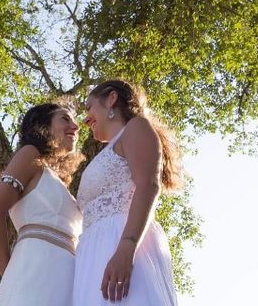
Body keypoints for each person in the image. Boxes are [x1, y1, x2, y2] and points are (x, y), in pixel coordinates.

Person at [73, 79, 181, 305]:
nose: (85, 119)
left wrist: (127, 247)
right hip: (92, 254)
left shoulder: (136, 127)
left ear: (111, 99)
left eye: (89, 107)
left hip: (121, 242)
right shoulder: (105, 152)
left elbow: (148, 185)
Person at [0, 103, 84, 306]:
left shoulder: (57, 180)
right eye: (65, 118)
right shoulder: (30, 154)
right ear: (42, 125)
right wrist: (9, 274)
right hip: (34, 272)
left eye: (75, 120)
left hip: (70, 278)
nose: (75, 126)